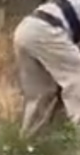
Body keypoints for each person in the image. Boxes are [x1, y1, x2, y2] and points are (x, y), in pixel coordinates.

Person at [14, 0, 80, 137]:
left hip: (25, 30)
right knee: (76, 76)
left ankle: (28, 148)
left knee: (41, 95)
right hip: (46, 29)